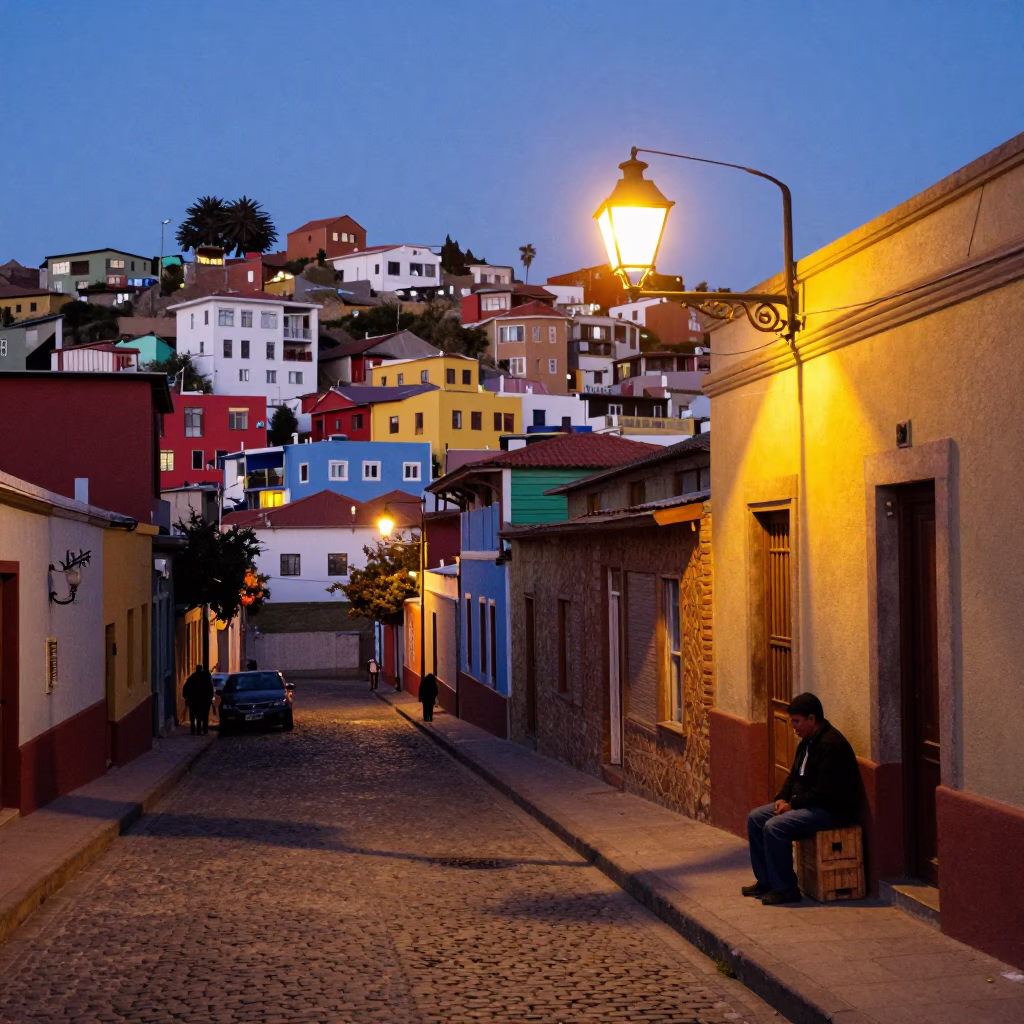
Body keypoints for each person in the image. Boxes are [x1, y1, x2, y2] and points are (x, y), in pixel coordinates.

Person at [743, 692, 860, 905]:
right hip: (806, 804)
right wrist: (781, 798)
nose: (794, 727)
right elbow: (793, 775)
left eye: (797, 722)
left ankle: (786, 888)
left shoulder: (831, 745)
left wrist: (792, 805)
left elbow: (824, 792)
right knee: (756, 818)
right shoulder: (806, 742)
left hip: (830, 811)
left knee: (775, 827)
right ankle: (766, 881)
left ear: (812, 719)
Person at [182, 663, 214, 736]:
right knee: (204, 716)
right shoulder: (206, 677)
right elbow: (210, 688)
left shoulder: (192, 677)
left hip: (194, 700)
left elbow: (185, 687)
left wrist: (185, 697)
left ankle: (194, 730)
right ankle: (204, 730)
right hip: (204, 700)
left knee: (194, 716)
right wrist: (210, 698)